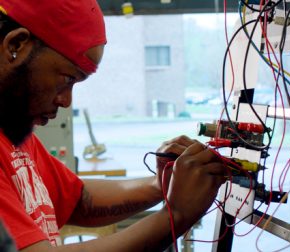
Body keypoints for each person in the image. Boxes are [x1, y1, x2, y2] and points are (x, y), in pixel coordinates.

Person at [0, 0, 227, 251]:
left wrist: (161, 184)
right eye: (66, 78)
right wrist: (176, 216)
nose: (66, 101)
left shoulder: (12, 132)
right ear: (16, 46)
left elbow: (78, 201)